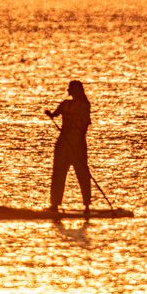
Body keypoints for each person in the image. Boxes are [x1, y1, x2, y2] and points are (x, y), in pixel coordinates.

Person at [44, 80, 92, 212]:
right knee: (58, 173)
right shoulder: (65, 104)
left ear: (77, 90)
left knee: (82, 174)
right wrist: (50, 115)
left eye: (70, 88)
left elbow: (85, 125)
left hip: (78, 145)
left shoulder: (84, 106)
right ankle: (54, 205)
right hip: (62, 145)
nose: (68, 91)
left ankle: (87, 205)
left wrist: (77, 143)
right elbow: (55, 114)